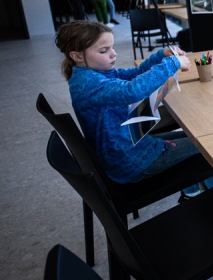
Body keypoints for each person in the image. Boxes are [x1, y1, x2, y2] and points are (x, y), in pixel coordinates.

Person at [55, 21, 202, 188]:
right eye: (104, 51)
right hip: (129, 160)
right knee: (208, 146)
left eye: (112, 47)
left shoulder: (91, 74)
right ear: (78, 56)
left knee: (199, 139)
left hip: (127, 148)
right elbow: (132, 91)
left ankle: (195, 188)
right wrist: (172, 63)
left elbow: (134, 75)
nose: (114, 54)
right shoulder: (89, 84)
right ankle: (193, 191)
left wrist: (161, 55)